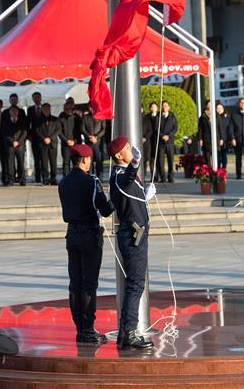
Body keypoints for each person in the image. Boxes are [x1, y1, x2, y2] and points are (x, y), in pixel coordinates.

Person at [58, 144, 114, 344]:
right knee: (89, 285)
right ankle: (88, 329)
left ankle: (80, 328)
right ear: (83, 160)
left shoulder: (63, 182)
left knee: (75, 284)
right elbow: (106, 210)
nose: (90, 162)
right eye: (89, 159)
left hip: (71, 234)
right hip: (89, 235)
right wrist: (115, 195)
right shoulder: (91, 182)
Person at [109, 136, 155, 350]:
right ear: (119, 155)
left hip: (134, 233)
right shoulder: (120, 174)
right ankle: (129, 332)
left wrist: (145, 197)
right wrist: (135, 164)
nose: (131, 150)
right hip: (132, 235)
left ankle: (124, 332)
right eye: (127, 148)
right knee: (135, 285)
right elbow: (126, 181)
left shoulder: (124, 175)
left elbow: (129, 198)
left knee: (135, 285)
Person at [35, 103, 61, 185]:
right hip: (43, 143)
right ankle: (45, 178)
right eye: (44, 109)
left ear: (50, 109)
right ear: (42, 110)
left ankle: (53, 178)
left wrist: (50, 138)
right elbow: (37, 131)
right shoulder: (38, 120)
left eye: (47, 109)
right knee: (44, 162)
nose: (46, 110)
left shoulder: (55, 119)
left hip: (52, 143)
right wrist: (44, 138)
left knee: (53, 162)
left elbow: (58, 130)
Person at [2, 105, 28, 186]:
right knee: (10, 163)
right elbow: (5, 133)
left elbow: (24, 132)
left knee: (21, 162)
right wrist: (12, 141)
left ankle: (22, 179)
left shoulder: (22, 121)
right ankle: (11, 179)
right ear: (9, 112)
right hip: (10, 145)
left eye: (15, 111)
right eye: (12, 111)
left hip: (20, 145)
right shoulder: (6, 121)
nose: (14, 112)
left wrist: (18, 141)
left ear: (18, 112)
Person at [80, 106, 106, 178]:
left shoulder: (101, 117)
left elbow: (103, 129)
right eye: (90, 107)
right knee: (89, 160)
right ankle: (90, 175)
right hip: (89, 142)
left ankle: (99, 175)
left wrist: (96, 137)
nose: (92, 109)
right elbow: (82, 129)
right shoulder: (85, 117)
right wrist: (89, 136)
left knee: (99, 159)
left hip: (98, 142)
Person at [156, 101, 178, 183]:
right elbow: (156, 128)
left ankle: (171, 177)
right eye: (163, 106)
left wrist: (169, 135)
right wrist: (162, 136)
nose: (164, 107)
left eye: (166, 106)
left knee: (170, 160)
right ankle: (163, 177)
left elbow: (175, 128)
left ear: (169, 107)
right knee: (161, 161)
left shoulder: (172, 116)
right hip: (161, 142)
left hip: (170, 142)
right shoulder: (159, 116)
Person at [58, 99, 81, 177]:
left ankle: (77, 177)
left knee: (76, 162)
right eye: (65, 109)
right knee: (66, 162)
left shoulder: (76, 117)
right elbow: (59, 131)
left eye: (69, 109)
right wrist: (66, 140)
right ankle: (66, 177)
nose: (67, 111)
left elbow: (79, 131)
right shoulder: (61, 116)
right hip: (65, 143)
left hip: (75, 143)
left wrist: (74, 141)